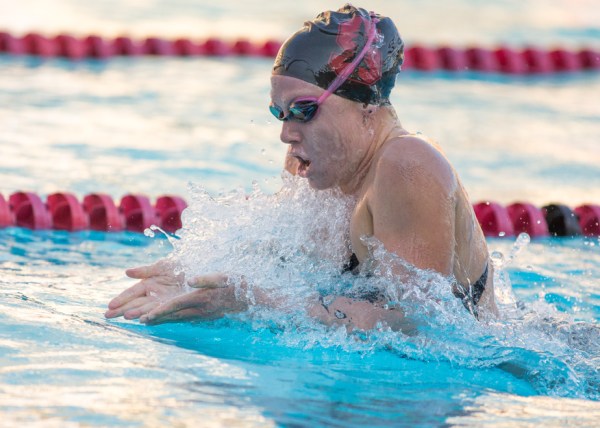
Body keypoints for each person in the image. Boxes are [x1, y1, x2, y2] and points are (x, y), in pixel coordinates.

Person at [105, 5, 497, 330]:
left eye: (304, 110)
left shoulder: (407, 164)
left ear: (366, 107)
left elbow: (423, 328)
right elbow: (284, 257)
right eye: (279, 113)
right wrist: (194, 274)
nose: (287, 134)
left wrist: (258, 302)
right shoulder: (310, 163)